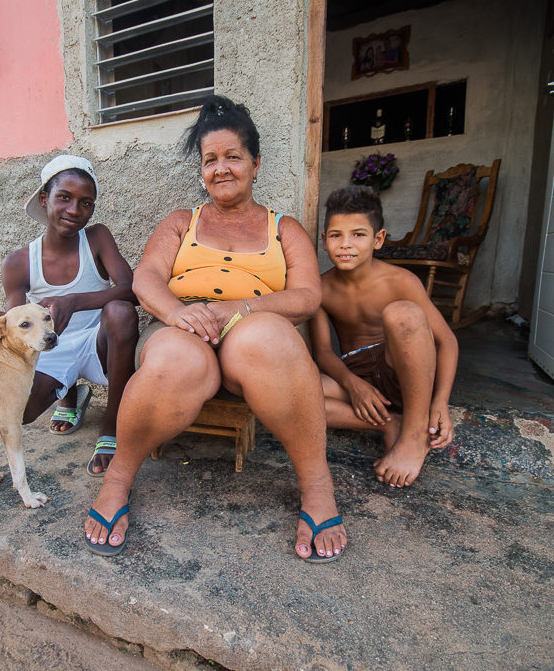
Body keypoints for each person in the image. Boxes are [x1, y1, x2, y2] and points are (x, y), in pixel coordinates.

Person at [83, 96, 347, 562]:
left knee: (270, 339)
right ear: (202, 170)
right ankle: (118, 480)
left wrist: (242, 308)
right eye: (210, 160)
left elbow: (307, 297)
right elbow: (146, 278)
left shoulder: (283, 228)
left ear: (255, 163)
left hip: (253, 327)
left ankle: (318, 487)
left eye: (232, 156)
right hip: (183, 325)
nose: (220, 168)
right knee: (175, 359)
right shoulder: (182, 222)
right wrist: (175, 313)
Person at [309, 186, 458, 488]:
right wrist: (353, 385)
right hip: (357, 376)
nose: (346, 245)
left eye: (359, 235)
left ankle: (415, 435)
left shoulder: (401, 280)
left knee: (403, 313)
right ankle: (390, 422)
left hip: (403, 373)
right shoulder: (320, 288)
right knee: (297, 394)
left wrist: (441, 402)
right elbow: (323, 352)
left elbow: (447, 341)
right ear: (324, 241)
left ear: (378, 239)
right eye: (336, 235)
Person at [0, 155, 139, 475]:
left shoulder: (97, 238)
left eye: (86, 203)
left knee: (120, 312)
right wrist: (4, 322)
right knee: (20, 413)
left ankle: (111, 422)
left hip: (98, 344)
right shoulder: (19, 262)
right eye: (64, 197)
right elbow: (17, 327)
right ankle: (70, 394)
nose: (75, 210)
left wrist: (74, 301)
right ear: (44, 198)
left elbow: (132, 289)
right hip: (53, 346)